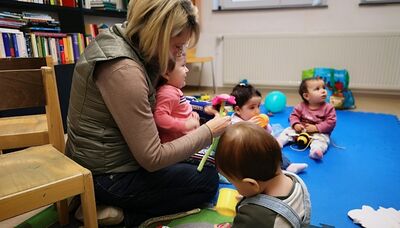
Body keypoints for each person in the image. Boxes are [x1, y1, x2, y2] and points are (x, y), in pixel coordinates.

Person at [65, 0, 231, 226]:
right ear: (159, 33)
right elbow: (153, 158)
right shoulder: (124, 70)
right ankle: (124, 217)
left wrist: (200, 109)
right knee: (206, 180)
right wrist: (208, 131)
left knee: (199, 160)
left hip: (109, 161)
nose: (179, 55)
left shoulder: (129, 42)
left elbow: (161, 104)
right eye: (177, 47)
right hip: (106, 177)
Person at [215, 122, 311, 227]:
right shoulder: (296, 181)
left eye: (234, 183)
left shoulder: (252, 217)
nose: (235, 188)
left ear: (252, 184)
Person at [230, 82, 308, 174]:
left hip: (256, 149)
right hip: (243, 155)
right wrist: (247, 126)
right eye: (252, 108)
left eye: (258, 106)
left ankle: (288, 166)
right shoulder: (234, 122)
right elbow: (236, 140)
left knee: (274, 150)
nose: (257, 111)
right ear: (238, 110)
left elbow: (268, 133)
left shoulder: (255, 118)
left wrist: (266, 127)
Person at [154, 55, 215, 166]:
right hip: (178, 148)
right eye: (183, 66)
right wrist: (185, 124)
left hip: (186, 141)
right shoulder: (167, 93)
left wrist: (190, 114)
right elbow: (159, 117)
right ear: (167, 73)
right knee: (212, 159)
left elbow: (177, 109)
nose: (187, 70)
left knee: (212, 146)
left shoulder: (173, 90)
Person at [276, 77, 337, 160]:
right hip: (301, 131)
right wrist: (296, 124)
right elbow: (293, 116)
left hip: (318, 133)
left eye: (323, 88)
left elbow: (331, 123)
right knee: (287, 131)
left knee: (323, 140)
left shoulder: (328, 108)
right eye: (317, 89)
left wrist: (316, 128)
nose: (323, 91)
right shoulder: (301, 106)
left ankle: (316, 151)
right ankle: (279, 142)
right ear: (306, 96)